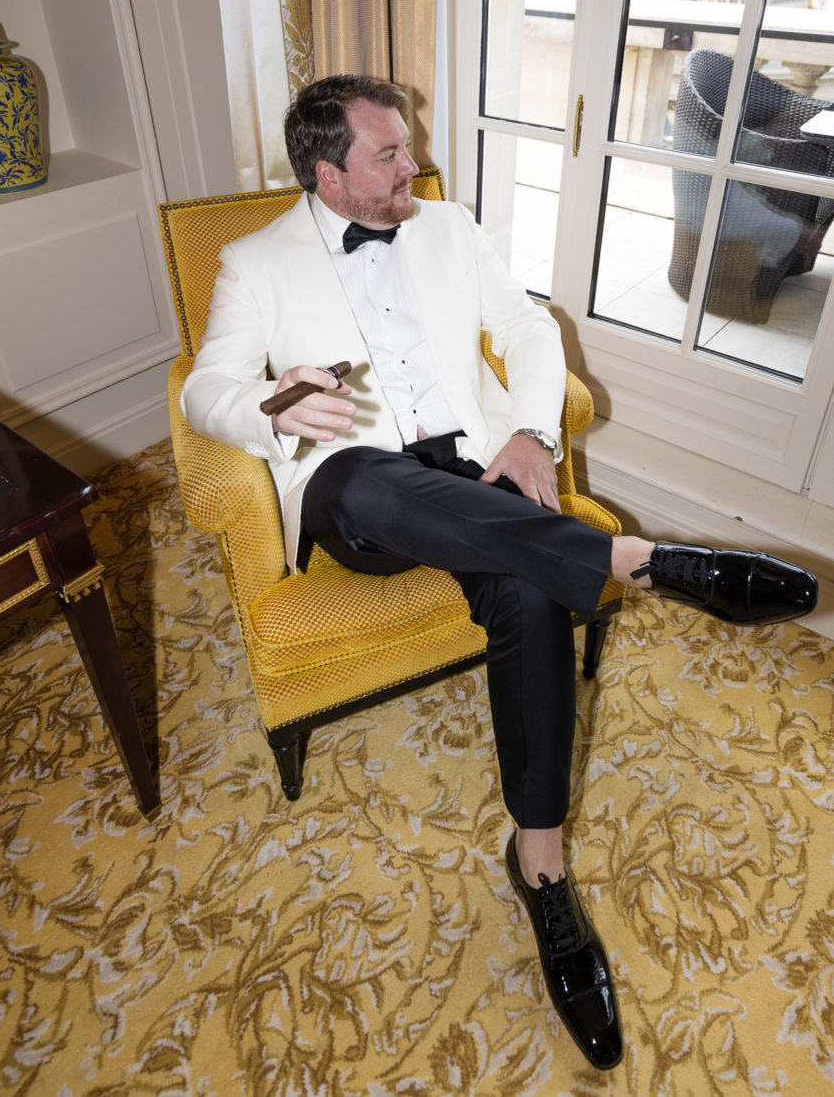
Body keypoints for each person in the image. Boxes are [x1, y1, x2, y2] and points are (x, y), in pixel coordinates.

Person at [181, 75, 818, 1072]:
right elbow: (203, 390)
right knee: (365, 486)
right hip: (362, 487)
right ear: (328, 172)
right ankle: (648, 564)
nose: (413, 166)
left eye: (408, 146)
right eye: (388, 154)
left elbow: (524, 332)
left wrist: (526, 431)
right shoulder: (253, 262)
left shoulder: (447, 226)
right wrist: (268, 401)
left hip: (473, 458)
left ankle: (540, 866)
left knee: (524, 589)